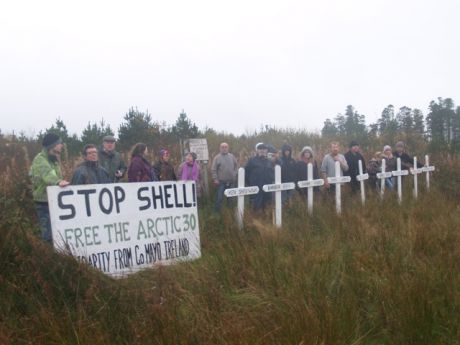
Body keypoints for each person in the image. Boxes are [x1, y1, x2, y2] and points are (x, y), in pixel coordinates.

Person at [29, 133, 70, 244]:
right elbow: (47, 174)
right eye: (59, 143)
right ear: (53, 145)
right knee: (48, 235)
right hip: (43, 203)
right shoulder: (40, 159)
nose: (61, 145)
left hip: (54, 201)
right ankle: (48, 257)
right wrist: (58, 182)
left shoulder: (54, 160)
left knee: (59, 232)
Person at [245, 143, 274, 211]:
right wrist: (251, 183)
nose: (262, 151)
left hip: (267, 187)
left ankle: (265, 220)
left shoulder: (269, 161)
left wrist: (270, 180)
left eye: (264, 149)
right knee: (256, 206)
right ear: (257, 150)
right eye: (260, 149)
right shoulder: (252, 160)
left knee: (267, 205)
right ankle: (256, 220)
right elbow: (246, 173)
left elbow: (272, 172)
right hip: (256, 187)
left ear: (266, 151)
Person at [211, 142, 238, 211]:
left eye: (226, 147)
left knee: (231, 198)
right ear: (220, 148)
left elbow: (236, 166)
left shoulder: (232, 156)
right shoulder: (217, 158)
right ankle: (217, 213)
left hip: (231, 181)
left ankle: (230, 212)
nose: (224, 148)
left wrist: (234, 174)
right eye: (222, 147)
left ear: (228, 148)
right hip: (221, 182)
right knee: (219, 198)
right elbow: (213, 169)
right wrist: (215, 179)